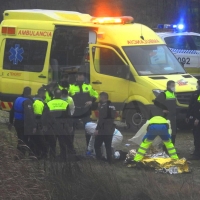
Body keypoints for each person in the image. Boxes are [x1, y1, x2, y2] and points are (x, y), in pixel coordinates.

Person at [42, 88, 73, 160]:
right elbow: (69, 116)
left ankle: (52, 156)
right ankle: (63, 156)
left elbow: (44, 116)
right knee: (62, 142)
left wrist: (44, 125)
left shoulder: (49, 103)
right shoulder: (65, 104)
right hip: (62, 126)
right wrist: (70, 125)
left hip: (51, 126)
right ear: (61, 95)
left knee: (52, 142)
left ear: (54, 94)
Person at [69, 71, 98, 146]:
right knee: (71, 129)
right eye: (79, 75)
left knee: (88, 129)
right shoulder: (71, 87)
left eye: (82, 75)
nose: (81, 77)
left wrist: (91, 101)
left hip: (85, 110)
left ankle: (89, 147)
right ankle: (70, 147)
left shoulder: (88, 86)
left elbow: (96, 95)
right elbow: (66, 97)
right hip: (76, 110)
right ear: (76, 77)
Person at [8, 87, 36, 156]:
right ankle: (21, 154)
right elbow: (29, 115)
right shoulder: (27, 101)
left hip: (16, 122)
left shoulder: (17, 99)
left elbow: (11, 111)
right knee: (24, 139)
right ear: (30, 93)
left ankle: (19, 153)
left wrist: (11, 122)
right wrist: (33, 126)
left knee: (20, 138)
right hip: (23, 123)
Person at [94, 92, 116, 163]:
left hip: (103, 129)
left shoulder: (103, 106)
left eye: (100, 97)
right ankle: (110, 160)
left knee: (97, 145)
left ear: (104, 97)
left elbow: (101, 119)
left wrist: (97, 129)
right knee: (108, 146)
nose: (99, 99)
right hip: (110, 128)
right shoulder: (112, 106)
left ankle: (99, 159)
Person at [154, 80, 177, 144]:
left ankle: (172, 147)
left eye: (174, 86)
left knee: (173, 133)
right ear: (168, 86)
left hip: (173, 116)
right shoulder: (164, 94)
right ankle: (165, 148)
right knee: (167, 132)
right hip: (167, 117)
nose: (174, 87)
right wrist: (163, 110)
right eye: (172, 86)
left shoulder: (173, 93)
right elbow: (156, 102)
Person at [29, 88, 47, 158]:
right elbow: (38, 116)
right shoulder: (39, 102)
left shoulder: (33, 100)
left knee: (33, 139)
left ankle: (33, 154)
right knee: (39, 139)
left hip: (32, 124)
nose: (45, 95)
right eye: (44, 93)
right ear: (41, 93)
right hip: (37, 124)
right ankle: (38, 154)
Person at [186, 80, 200, 158]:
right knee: (195, 135)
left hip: (197, 118)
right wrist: (188, 115)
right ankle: (196, 151)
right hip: (194, 117)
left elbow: (198, 107)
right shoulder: (195, 93)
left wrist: (198, 118)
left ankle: (197, 154)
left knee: (198, 135)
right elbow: (192, 105)